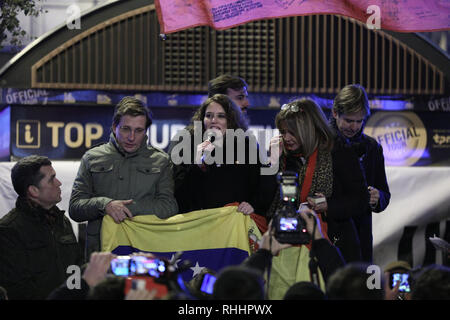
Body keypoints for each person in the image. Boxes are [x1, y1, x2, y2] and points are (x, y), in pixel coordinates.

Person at [266, 98, 362, 299]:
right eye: (283, 132)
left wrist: (329, 205)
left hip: (331, 244)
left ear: (309, 128)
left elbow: (360, 200)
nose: (287, 137)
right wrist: (271, 164)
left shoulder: (339, 152)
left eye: (292, 132)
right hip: (285, 248)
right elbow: (263, 202)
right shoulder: (282, 155)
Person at [69, 97, 178, 260]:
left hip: (143, 250)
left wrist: (127, 209)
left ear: (145, 131)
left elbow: (169, 206)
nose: (132, 137)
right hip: (101, 253)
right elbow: (75, 208)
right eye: (126, 129)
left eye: (139, 130)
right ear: (114, 127)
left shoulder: (160, 161)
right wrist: (105, 205)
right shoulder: (91, 158)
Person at [170, 94, 275, 216]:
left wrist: (253, 205)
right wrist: (197, 166)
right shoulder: (191, 146)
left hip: (235, 223)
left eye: (221, 116)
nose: (213, 120)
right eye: (208, 116)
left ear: (231, 120)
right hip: (200, 224)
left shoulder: (247, 146)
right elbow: (179, 196)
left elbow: (266, 187)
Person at [0, 155, 82, 299]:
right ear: (34, 191)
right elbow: (16, 289)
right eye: (52, 179)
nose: (59, 183)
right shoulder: (8, 231)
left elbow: (74, 267)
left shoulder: (62, 221)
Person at [330, 84, 391, 262]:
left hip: (361, 234)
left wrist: (378, 197)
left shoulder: (372, 148)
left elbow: (385, 193)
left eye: (360, 121)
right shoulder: (321, 144)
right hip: (329, 230)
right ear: (335, 113)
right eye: (349, 120)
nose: (354, 126)